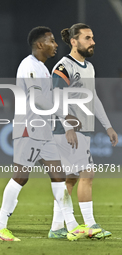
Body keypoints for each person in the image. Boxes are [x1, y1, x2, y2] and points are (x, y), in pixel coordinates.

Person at [0, 26, 102, 242]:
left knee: (59, 177)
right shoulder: (29, 65)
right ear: (40, 44)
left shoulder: (42, 68)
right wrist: (64, 114)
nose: (56, 45)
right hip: (28, 128)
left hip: (43, 131)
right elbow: (37, 98)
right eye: (51, 41)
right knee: (21, 177)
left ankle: (71, 225)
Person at [49, 23, 118, 239]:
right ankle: (90, 225)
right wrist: (68, 127)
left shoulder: (89, 67)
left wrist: (107, 125)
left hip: (82, 130)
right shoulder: (63, 67)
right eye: (87, 38)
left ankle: (56, 227)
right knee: (87, 174)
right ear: (73, 41)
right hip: (66, 130)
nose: (93, 42)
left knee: (70, 179)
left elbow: (93, 98)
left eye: (92, 37)